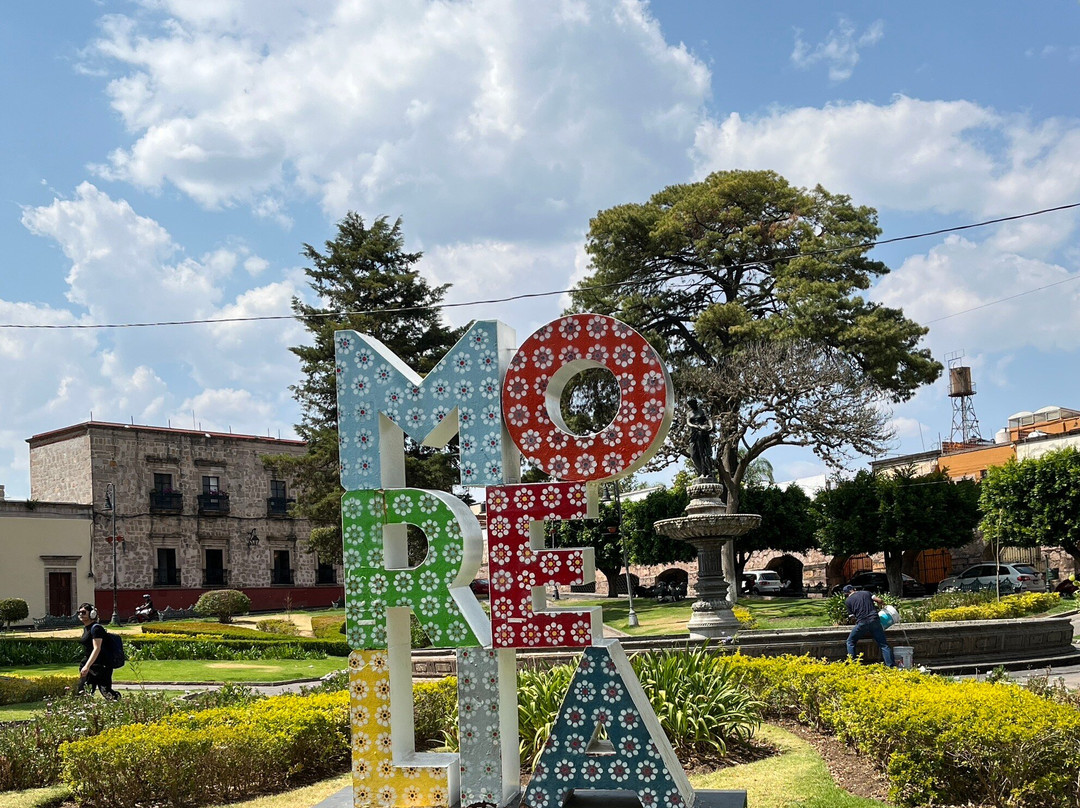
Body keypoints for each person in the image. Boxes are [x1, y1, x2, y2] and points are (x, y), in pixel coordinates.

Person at [76, 602, 120, 700]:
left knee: (106, 691)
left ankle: (118, 700)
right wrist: (86, 665)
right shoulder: (86, 628)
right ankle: (84, 707)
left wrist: (87, 666)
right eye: (79, 612)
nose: (81, 614)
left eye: (83, 612)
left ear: (92, 614)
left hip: (101, 666)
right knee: (83, 692)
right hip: (90, 664)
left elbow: (97, 648)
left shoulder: (96, 629)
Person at [843, 585, 895, 667]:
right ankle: (891, 666)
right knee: (883, 645)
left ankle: (853, 665)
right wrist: (883, 605)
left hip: (862, 622)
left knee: (850, 642)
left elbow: (852, 617)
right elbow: (879, 600)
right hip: (874, 620)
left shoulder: (848, 601)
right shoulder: (866, 593)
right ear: (854, 589)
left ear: (846, 594)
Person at [686, 398, 714, 479]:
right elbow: (688, 422)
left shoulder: (702, 411)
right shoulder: (689, 413)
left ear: (695, 403)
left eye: (692, 404)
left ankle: (705, 472)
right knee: (693, 454)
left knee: (702, 453)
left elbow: (708, 419)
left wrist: (711, 426)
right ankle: (701, 470)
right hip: (693, 434)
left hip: (702, 433)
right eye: (690, 404)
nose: (691, 406)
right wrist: (694, 426)